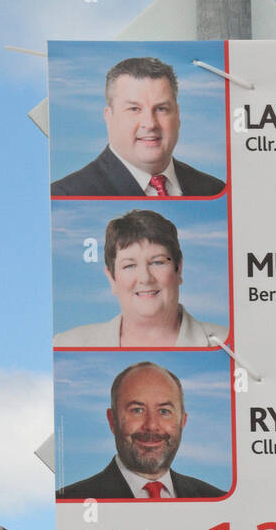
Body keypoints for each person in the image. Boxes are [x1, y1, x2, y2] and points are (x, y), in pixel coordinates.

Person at [51, 57, 225, 199]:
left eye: (161, 109)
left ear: (178, 115)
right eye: (134, 109)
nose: (150, 124)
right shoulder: (69, 195)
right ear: (108, 117)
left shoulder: (214, 191)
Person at [53, 210, 228, 349]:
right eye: (129, 265)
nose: (145, 278)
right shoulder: (66, 344)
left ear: (179, 268)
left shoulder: (229, 343)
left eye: (157, 262)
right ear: (112, 278)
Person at [56, 361, 225, 500]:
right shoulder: (69, 501)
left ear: (183, 421)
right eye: (137, 410)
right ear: (112, 420)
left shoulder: (216, 500)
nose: (151, 425)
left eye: (164, 411)